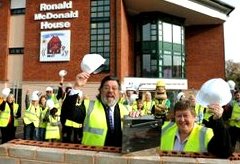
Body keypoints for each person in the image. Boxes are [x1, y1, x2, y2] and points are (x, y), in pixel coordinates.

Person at [61, 72, 129, 147]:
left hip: (118, 155)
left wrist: (137, 118)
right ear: (100, 91)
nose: (110, 91)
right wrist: (76, 87)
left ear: (119, 92)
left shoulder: (126, 109)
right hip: (93, 154)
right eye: (106, 88)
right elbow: (69, 114)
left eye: (114, 88)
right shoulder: (88, 106)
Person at [161, 100, 233, 158]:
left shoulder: (205, 133)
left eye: (186, 116)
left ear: (194, 117)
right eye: (179, 116)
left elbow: (224, 152)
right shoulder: (166, 129)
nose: (182, 119)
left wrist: (219, 121)